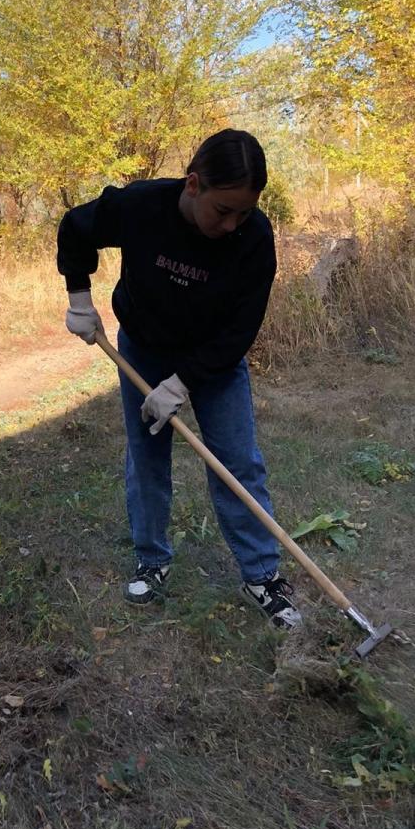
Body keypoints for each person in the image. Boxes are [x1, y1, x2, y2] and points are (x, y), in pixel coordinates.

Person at [57, 129, 301, 630]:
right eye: (223, 210)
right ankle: (152, 559)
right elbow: (75, 227)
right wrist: (80, 297)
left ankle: (262, 575)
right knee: (146, 457)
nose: (231, 224)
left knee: (237, 463)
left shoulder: (254, 238)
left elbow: (241, 328)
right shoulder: (144, 205)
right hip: (144, 350)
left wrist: (185, 381)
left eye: (243, 213)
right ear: (193, 185)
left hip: (214, 362)